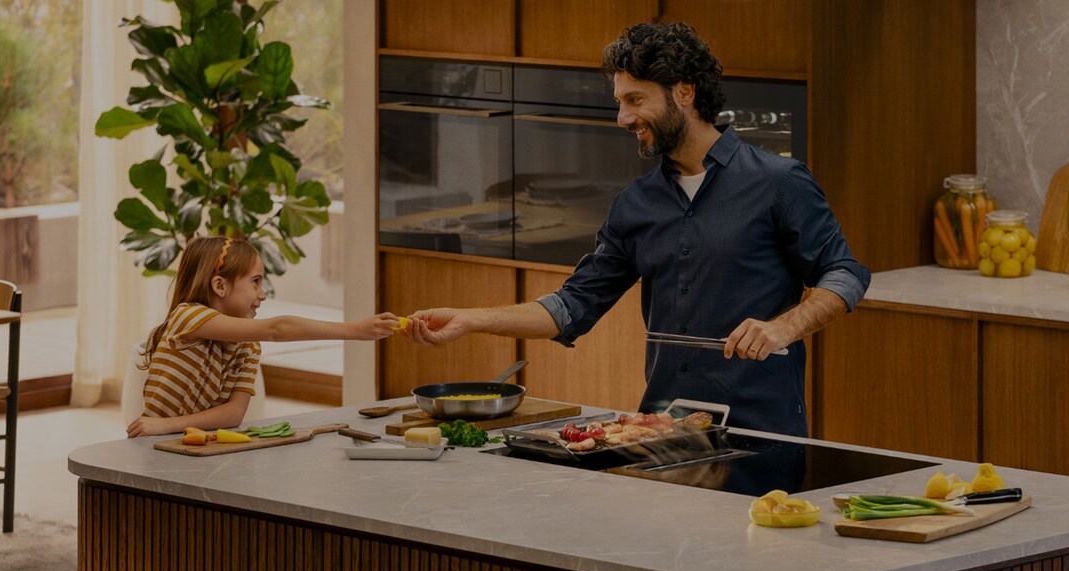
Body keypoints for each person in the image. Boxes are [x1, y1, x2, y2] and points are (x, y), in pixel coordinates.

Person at [403, 22, 870, 436]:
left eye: (635, 100)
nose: (623, 118)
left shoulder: (779, 182)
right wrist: (471, 320)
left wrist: (784, 327)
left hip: (764, 432)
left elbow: (845, 274)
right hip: (662, 431)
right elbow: (572, 306)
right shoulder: (636, 204)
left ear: (684, 93)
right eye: (619, 102)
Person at [126, 236, 400, 438]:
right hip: (152, 443)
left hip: (190, 442)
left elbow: (233, 414)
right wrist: (355, 330)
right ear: (220, 285)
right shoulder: (187, 317)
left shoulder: (247, 346)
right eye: (255, 281)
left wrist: (169, 426)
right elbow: (276, 329)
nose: (262, 293)